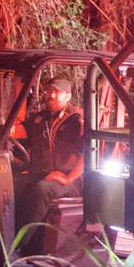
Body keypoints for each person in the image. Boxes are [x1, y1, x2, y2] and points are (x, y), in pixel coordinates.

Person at [18, 77, 84, 243]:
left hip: (72, 181)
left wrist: (68, 178)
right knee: (11, 183)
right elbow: (20, 136)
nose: (52, 96)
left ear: (68, 96)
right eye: (49, 91)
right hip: (44, 173)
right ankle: (1, 239)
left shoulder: (76, 121)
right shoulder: (40, 119)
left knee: (41, 190)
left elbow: (90, 154)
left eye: (57, 92)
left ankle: (21, 245)